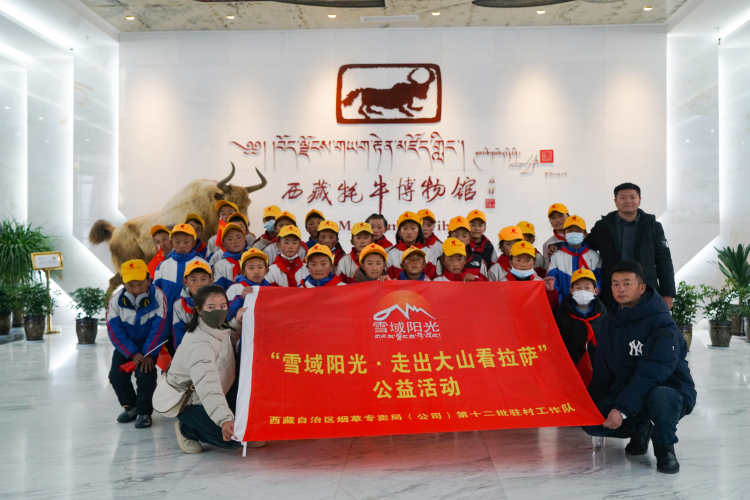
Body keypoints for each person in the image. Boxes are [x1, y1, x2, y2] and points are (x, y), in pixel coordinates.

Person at [582, 261, 696, 474]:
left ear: (642, 288)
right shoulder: (610, 321)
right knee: (591, 421)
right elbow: (602, 369)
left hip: (669, 388)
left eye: (627, 283)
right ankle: (640, 428)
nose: (620, 289)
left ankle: (665, 448)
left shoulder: (661, 322)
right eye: (615, 284)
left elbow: (653, 372)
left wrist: (622, 409)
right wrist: (591, 404)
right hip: (628, 390)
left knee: (661, 397)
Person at [167, 285, 264, 454]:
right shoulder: (198, 346)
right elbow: (208, 387)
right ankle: (187, 429)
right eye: (211, 307)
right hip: (191, 401)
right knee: (233, 440)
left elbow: (225, 342)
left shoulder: (215, 328)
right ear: (199, 310)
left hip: (221, 388)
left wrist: (238, 323)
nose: (218, 311)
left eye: (223, 306)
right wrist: (225, 420)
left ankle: (232, 426)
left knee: (248, 412)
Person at [586, 183, 676, 309]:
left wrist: (668, 293)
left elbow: (664, 259)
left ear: (639, 200)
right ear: (615, 201)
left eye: (632, 197)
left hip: (645, 290)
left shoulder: (653, 227)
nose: (628, 201)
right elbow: (584, 247)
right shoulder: (603, 226)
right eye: (623, 197)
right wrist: (559, 245)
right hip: (611, 292)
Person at [106, 259, 168, 429]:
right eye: (131, 285)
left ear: (149, 280)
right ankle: (130, 407)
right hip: (126, 345)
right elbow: (114, 331)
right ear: (123, 283)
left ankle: (144, 412)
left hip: (149, 344)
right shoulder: (115, 301)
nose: (136, 289)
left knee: (145, 374)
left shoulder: (158, 296)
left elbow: (159, 327)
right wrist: (132, 353)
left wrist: (148, 353)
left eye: (141, 284)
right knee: (116, 376)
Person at [153, 224, 209, 351]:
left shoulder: (203, 264)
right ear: (171, 242)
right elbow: (157, 294)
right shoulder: (163, 265)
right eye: (177, 242)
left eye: (186, 241)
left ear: (193, 242)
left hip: (195, 318)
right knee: (174, 352)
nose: (182, 245)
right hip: (167, 321)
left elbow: (209, 291)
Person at [553, 269, 607, 386]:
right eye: (578, 288)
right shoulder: (560, 316)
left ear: (595, 291)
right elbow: (557, 346)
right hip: (569, 370)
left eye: (587, 288)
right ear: (571, 290)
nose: (583, 291)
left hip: (597, 370)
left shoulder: (604, 316)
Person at [547, 215, 602, 304]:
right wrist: (561, 305)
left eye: (578, 231)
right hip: (563, 307)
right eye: (570, 231)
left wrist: (590, 299)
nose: (574, 233)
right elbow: (553, 283)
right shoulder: (556, 257)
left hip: (590, 306)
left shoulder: (594, 256)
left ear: (585, 234)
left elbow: (600, 279)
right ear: (564, 234)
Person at [173, 260, 213, 349]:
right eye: (193, 280)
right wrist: (182, 353)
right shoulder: (179, 305)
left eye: (203, 279)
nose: (199, 284)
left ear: (211, 280)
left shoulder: (218, 301)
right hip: (189, 349)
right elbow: (178, 333)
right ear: (185, 282)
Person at [226, 248, 274, 321]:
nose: (256, 271)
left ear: (266, 271)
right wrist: (241, 298)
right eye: (251, 268)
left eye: (260, 267)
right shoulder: (235, 289)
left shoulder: (271, 288)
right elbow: (227, 314)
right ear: (243, 272)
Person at [386, 211, 438, 278]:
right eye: (405, 228)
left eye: (413, 228)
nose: (409, 232)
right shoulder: (391, 254)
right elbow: (389, 280)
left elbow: (432, 280)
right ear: (399, 232)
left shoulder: (429, 252)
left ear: (419, 231)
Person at [212, 223, 250, 290]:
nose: (235, 241)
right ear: (224, 245)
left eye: (238, 237)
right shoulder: (220, 265)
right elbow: (218, 290)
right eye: (230, 239)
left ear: (245, 240)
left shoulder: (252, 261)